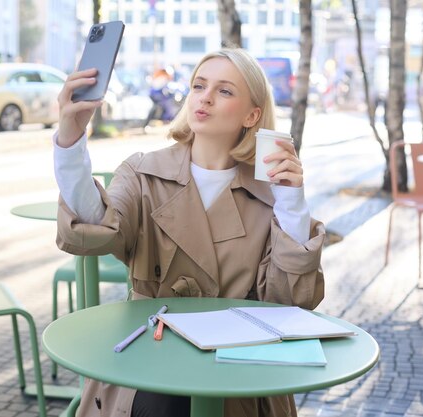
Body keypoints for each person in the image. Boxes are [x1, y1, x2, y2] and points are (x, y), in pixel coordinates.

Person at [53, 48, 326, 417]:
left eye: (225, 91)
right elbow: (97, 228)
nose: (205, 97)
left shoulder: (271, 194)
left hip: (240, 367)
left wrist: (292, 202)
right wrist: (70, 142)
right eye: (199, 85)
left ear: (253, 114)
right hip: (148, 356)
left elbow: (289, 302)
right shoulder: (143, 173)